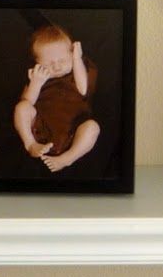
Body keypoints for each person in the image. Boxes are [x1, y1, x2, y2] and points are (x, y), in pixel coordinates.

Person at [13, 24, 99, 173]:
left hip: (74, 130)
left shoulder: (78, 72)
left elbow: (83, 89)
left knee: (92, 127)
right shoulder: (38, 77)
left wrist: (77, 59)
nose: (57, 67)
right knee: (21, 108)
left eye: (63, 61)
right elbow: (27, 103)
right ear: (38, 63)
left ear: (71, 55)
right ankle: (30, 145)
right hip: (41, 128)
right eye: (49, 64)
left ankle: (67, 158)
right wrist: (36, 83)